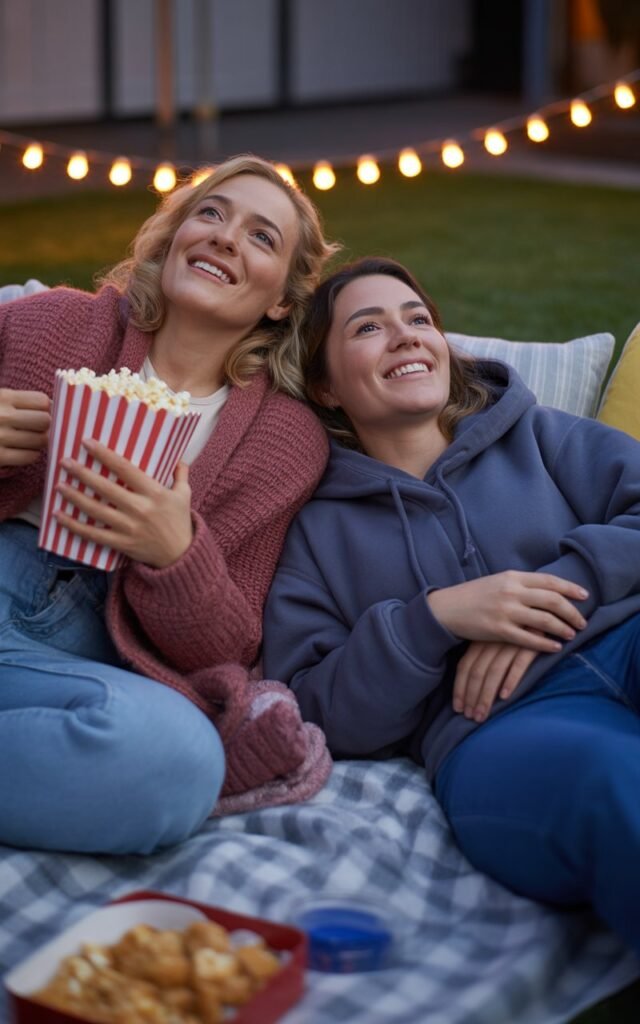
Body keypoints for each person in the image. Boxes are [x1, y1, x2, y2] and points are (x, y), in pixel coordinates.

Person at [263, 256, 640, 955]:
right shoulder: (313, 531)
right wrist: (434, 619)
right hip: (497, 729)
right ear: (326, 385)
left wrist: (548, 599)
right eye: (369, 328)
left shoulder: (539, 435)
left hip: (626, 638)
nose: (407, 336)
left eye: (418, 320)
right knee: (616, 788)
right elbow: (316, 706)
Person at [0, 155, 338, 855]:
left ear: (281, 300)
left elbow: (228, 646)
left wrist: (176, 552)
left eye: (261, 237)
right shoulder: (50, 325)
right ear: (175, 235)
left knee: (177, 762)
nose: (223, 236)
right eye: (210, 213)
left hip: (87, 657)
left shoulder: (284, 440)